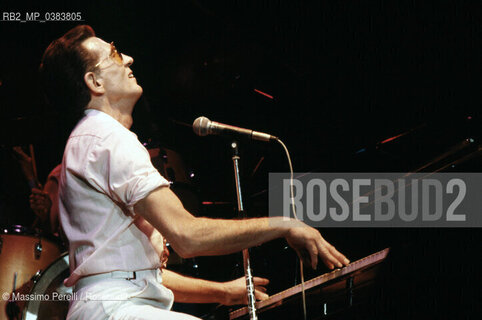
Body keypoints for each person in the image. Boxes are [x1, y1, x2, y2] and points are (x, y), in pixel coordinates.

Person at [39, 25, 349, 320]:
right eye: (116, 55)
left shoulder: (88, 139)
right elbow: (187, 235)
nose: (129, 59)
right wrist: (284, 225)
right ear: (95, 82)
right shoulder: (108, 137)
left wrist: (224, 292)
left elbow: (134, 274)